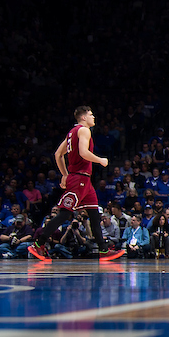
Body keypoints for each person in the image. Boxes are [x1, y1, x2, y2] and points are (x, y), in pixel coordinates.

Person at [29, 106, 125, 262]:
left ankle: (103, 250)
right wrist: (100, 160)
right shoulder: (84, 130)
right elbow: (83, 152)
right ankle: (38, 244)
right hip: (79, 179)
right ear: (84, 117)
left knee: (94, 214)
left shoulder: (71, 133)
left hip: (83, 180)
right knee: (64, 213)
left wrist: (65, 175)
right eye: (91, 114)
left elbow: (58, 155)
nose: (94, 117)